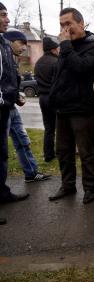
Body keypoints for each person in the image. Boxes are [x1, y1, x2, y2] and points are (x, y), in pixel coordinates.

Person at [48, 8, 94, 204]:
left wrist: (65, 46)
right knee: (63, 151)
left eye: (68, 23)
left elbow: (80, 68)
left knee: (86, 151)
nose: (65, 29)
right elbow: (61, 74)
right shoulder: (67, 47)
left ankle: (90, 189)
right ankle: (68, 186)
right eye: (62, 25)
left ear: (81, 24)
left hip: (83, 109)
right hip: (62, 107)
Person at [3, 30, 51, 182]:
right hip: (3, 108)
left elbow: (9, 82)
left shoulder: (11, 58)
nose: (24, 47)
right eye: (21, 43)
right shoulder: (2, 55)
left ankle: (31, 172)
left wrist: (16, 97)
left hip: (11, 107)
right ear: (10, 41)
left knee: (23, 141)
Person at [0, 2, 29, 219]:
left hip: (5, 107)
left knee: (2, 154)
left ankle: (2, 192)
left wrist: (13, 96)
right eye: (2, 15)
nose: (7, 20)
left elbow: (6, 79)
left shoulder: (3, 43)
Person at [34, 37, 60, 163]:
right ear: (53, 49)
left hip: (42, 98)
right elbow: (59, 82)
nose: (58, 50)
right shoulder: (56, 62)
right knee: (60, 126)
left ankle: (48, 154)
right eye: (57, 48)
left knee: (48, 128)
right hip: (54, 97)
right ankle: (60, 151)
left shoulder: (38, 62)